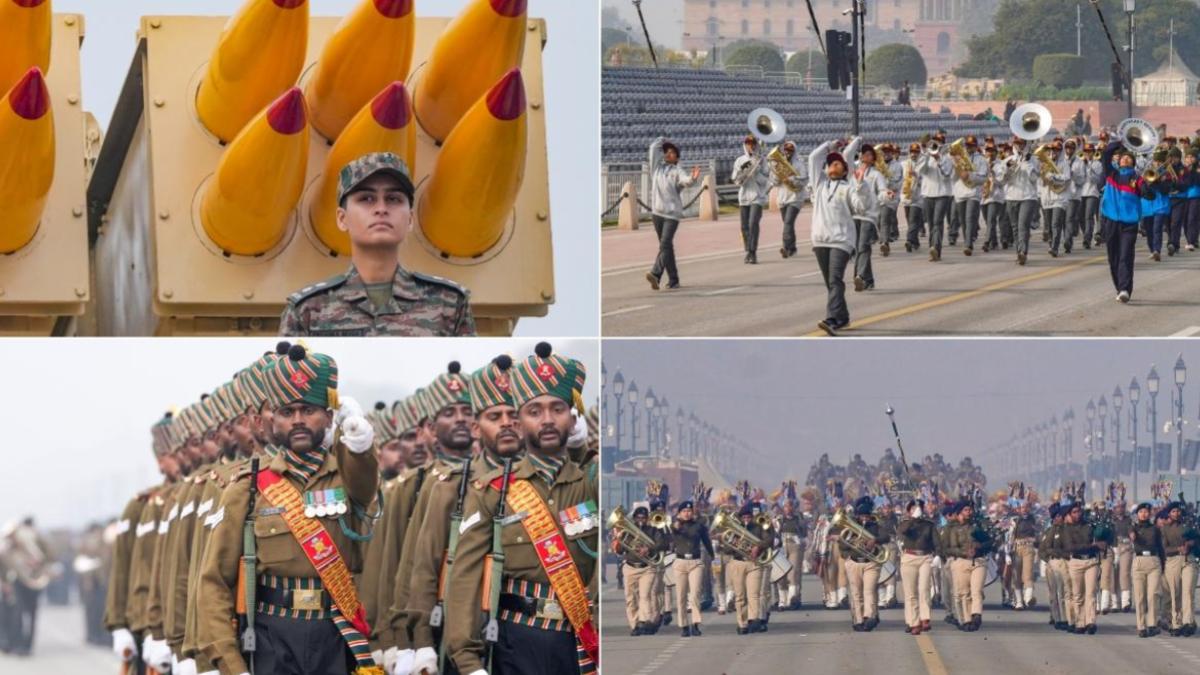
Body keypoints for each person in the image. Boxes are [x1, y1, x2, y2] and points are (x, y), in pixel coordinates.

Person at [197, 345, 382, 674]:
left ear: (328, 415)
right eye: (287, 411)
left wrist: (360, 445)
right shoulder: (248, 487)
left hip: (336, 634)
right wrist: (226, 661)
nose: (298, 420)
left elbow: (367, 483)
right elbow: (214, 581)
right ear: (273, 419)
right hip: (272, 637)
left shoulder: (348, 475)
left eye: (309, 410)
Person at [442, 342, 598, 675]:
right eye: (534, 410)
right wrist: (468, 660)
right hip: (515, 642)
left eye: (557, 408)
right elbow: (465, 577)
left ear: (573, 418)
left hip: (580, 644)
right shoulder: (492, 491)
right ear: (520, 420)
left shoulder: (591, 484)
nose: (546, 420)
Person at [280, 152, 475, 336]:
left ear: (410, 219)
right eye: (366, 198)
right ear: (342, 218)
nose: (381, 209)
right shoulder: (308, 309)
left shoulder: (449, 303)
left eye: (393, 199)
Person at [809, 137, 868, 336]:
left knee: (834, 280)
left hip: (842, 241)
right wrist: (829, 145)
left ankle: (832, 319)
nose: (832, 165)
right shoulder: (819, 186)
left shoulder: (848, 188)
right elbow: (813, 158)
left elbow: (860, 207)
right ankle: (843, 317)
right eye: (830, 163)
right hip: (820, 240)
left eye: (837, 163)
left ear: (845, 170)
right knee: (831, 283)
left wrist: (860, 187)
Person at [646, 138, 701, 290]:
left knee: (664, 244)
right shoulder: (656, 168)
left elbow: (686, 180)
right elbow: (652, 149)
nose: (669, 154)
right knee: (666, 247)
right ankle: (674, 279)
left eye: (672, 152)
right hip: (657, 213)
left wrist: (693, 178)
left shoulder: (678, 171)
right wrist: (662, 140)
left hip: (672, 215)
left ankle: (655, 274)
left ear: (677, 157)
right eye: (667, 152)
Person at [1099, 139, 1144, 303]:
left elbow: (1146, 192)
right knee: (1113, 257)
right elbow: (1106, 155)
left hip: (1129, 223)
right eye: (1122, 157)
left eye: (1129, 157)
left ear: (1133, 161)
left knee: (1125, 256)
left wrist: (1147, 186)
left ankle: (1125, 288)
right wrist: (1119, 143)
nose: (1125, 159)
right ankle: (1120, 287)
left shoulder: (1137, 178)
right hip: (1110, 221)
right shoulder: (1111, 174)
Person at [615, 506, 666, 636]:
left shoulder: (653, 531)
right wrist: (619, 538)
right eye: (638, 517)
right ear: (634, 518)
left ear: (647, 518)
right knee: (630, 598)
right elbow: (620, 551)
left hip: (647, 567)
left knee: (645, 596)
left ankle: (643, 621)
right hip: (630, 567)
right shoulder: (627, 532)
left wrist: (648, 549)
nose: (641, 520)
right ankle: (634, 625)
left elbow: (662, 544)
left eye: (643, 517)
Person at [840, 496, 889, 631]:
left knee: (869, 591)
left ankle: (869, 617)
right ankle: (858, 620)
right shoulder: (850, 526)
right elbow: (842, 543)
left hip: (871, 563)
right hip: (854, 562)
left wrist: (875, 540)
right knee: (856, 594)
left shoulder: (875, 526)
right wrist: (848, 556)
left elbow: (886, 537)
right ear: (857, 515)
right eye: (862, 516)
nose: (864, 518)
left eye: (867, 516)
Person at [669, 500, 714, 637]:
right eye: (684, 511)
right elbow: (673, 531)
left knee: (695, 595)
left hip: (695, 562)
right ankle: (683, 625)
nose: (687, 513)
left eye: (689, 511)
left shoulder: (699, 526)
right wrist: (677, 524)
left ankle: (695, 624)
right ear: (679, 513)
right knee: (681, 596)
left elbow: (706, 541)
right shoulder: (675, 525)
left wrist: (712, 556)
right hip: (680, 562)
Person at [851, 143, 888, 290]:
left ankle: (859, 276)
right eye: (863, 153)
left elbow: (883, 191)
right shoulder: (855, 172)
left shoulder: (876, 174)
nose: (866, 155)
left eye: (869, 154)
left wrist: (884, 196)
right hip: (855, 214)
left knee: (863, 246)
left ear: (873, 158)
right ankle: (869, 279)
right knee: (858, 248)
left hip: (869, 215)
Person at [1060, 502, 1100, 634]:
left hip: (1091, 562)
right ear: (1069, 515)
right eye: (1074, 512)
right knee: (1077, 594)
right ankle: (1080, 622)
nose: (1077, 514)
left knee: (1091, 593)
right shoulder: (1065, 528)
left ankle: (1090, 622)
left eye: (1079, 511)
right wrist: (1090, 546)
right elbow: (1070, 547)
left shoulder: (1089, 525)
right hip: (1076, 562)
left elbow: (1100, 541)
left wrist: (1092, 546)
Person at [897, 499, 936, 635]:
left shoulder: (929, 525)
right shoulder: (904, 524)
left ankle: (925, 618)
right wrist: (913, 519)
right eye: (913, 508)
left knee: (924, 587)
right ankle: (913, 622)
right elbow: (903, 532)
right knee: (910, 593)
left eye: (918, 508)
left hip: (925, 557)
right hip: (909, 557)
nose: (917, 510)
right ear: (909, 511)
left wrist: (937, 556)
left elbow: (936, 542)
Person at [1159, 502, 1198, 637]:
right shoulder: (1165, 529)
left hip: (1189, 560)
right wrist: (1178, 549)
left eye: (1178, 511)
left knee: (1188, 592)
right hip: (1172, 561)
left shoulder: (1189, 524)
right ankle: (1176, 623)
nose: (1177, 513)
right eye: (1173, 511)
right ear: (1169, 513)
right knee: (1175, 593)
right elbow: (1164, 548)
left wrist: (1191, 543)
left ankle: (1188, 622)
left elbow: (1197, 539)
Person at [731, 136, 771, 264]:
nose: (751, 146)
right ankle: (748, 250)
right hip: (744, 197)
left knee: (753, 223)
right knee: (744, 226)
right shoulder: (739, 160)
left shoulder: (762, 160)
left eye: (753, 143)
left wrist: (756, 172)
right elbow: (736, 180)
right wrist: (743, 171)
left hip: (757, 197)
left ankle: (753, 252)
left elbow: (766, 180)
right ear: (745, 145)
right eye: (748, 143)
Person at [916, 133, 954, 261]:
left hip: (942, 194)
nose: (936, 144)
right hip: (928, 194)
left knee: (938, 222)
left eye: (939, 142)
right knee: (931, 224)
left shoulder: (947, 158)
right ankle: (932, 249)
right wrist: (927, 154)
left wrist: (938, 159)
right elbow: (920, 171)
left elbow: (947, 174)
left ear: (943, 144)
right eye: (934, 142)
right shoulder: (925, 156)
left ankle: (936, 248)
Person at [1129, 502, 1164, 637]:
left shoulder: (1155, 529)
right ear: (1137, 514)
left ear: (1150, 514)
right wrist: (1132, 534)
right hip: (1139, 561)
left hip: (1153, 561)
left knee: (1153, 595)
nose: (1144, 514)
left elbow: (1160, 546)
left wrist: (1163, 563)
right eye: (1141, 511)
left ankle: (1152, 624)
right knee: (1139, 596)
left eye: (1146, 512)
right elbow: (1130, 531)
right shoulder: (1133, 528)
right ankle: (1141, 626)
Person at [951, 136, 989, 255]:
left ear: (976, 147)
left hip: (973, 193)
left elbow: (983, 178)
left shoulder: (981, 160)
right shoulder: (958, 158)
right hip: (960, 193)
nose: (969, 148)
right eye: (967, 145)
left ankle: (968, 244)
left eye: (971, 146)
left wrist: (970, 175)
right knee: (963, 220)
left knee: (970, 218)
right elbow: (951, 177)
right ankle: (969, 241)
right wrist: (956, 165)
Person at [773, 141, 808, 259]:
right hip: (783, 198)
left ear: (794, 151)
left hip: (795, 198)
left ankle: (785, 247)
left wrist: (793, 179)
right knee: (788, 224)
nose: (788, 152)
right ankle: (792, 248)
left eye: (790, 150)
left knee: (788, 223)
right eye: (786, 150)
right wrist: (778, 176)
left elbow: (804, 180)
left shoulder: (799, 164)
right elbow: (774, 182)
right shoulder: (780, 164)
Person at [1009, 500, 1039, 610]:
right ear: (1018, 509)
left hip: (1029, 548)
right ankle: (1019, 602)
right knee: (1016, 576)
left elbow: (1039, 534)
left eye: (1026, 507)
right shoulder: (1015, 520)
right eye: (1022, 507)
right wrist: (1008, 553)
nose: (1024, 509)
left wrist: (1035, 540)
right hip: (1017, 549)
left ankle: (1028, 598)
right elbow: (1010, 537)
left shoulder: (1034, 520)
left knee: (1027, 574)